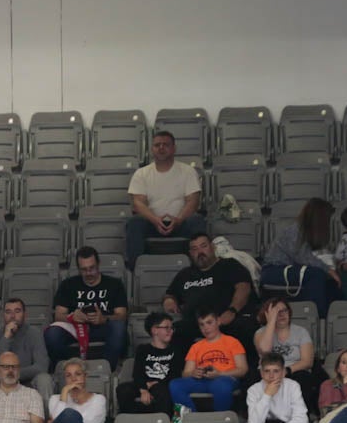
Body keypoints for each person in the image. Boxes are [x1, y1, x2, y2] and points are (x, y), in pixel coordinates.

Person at [125, 130, 204, 268]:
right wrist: (155, 220)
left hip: (180, 223)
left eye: (165, 145)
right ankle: (135, 270)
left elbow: (193, 201)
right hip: (152, 224)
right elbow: (138, 203)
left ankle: (201, 266)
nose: (161, 148)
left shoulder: (187, 171)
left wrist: (178, 220)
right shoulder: (141, 174)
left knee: (197, 220)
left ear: (174, 148)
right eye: (157, 145)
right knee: (134, 223)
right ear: (152, 149)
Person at [162, 234, 254, 348]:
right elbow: (170, 294)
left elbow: (244, 288)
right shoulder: (184, 274)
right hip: (195, 324)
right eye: (195, 249)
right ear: (190, 253)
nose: (200, 252)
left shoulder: (230, 265)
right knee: (172, 331)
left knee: (245, 328)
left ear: (213, 247)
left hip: (224, 321)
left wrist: (232, 310)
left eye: (203, 246)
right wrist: (169, 301)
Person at [45, 246, 129, 370]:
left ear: (98, 264)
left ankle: (106, 370)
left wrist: (104, 318)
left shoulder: (114, 284)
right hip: (75, 327)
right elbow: (58, 315)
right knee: (52, 333)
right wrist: (72, 316)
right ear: (78, 269)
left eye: (92, 268)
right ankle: (67, 370)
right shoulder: (68, 285)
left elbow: (121, 315)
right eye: (84, 270)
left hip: (102, 327)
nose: (89, 273)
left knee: (119, 327)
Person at [261, 199, 342, 318]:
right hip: (274, 270)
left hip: (291, 268)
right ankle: (315, 315)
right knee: (316, 275)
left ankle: (331, 318)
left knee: (329, 281)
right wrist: (328, 270)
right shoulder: (294, 231)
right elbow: (304, 258)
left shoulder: (305, 231)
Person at [168, 307, 249, 413]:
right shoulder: (196, 346)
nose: (206, 328)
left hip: (225, 379)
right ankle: (190, 419)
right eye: (202, 324)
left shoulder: (232, 342)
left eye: (209, 322)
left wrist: (220, 373)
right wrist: (193, 373)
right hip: (201, 381)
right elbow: (186, 373)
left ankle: (220, 421)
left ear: (218, 321)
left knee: (220, 385)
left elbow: (243, 369)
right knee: (175, 384)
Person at [114, 311, 178, 416]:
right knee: (123, 389)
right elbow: (137, 373)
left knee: (162, 392)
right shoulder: (143, 349)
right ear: (154, 330)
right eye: (166, 328)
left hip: (163, 385)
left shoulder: (175, 350)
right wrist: (143, 389)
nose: (170, 331)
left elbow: (175, 374)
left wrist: (156, 383)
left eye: (171, 328)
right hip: (144, 385)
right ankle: (129, 422)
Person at [254, 297, 319, 397]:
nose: (282, 314)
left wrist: (286, 371)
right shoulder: (260, 333)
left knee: (304, 379)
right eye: (277, 312)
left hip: (294, 370)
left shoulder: (301, 332)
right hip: (268, 372)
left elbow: (307, 362)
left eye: (284, 310)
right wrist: (271, 322)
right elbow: (265, 350)